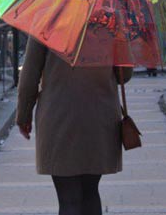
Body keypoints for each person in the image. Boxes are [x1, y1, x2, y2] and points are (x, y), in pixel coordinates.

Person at [17, 37, 132, 215]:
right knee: (91, 191)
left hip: (58, 116)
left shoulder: (46, 19)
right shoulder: (109, 20)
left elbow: (29, 77)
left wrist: (24, 115)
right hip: (99, 116)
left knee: (68, 198)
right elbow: (125, 75)